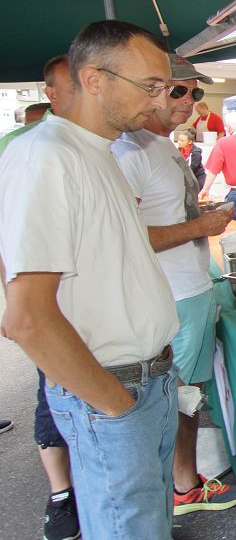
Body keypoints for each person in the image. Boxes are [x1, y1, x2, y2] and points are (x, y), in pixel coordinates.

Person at [0, 20, 180, 539]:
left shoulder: (97, 152)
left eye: (163, 87)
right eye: (150, 85)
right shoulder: (46, 157)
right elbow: (27, 317)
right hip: (114, 391)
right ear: (94, 79)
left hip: (146, 382)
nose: (160, 99)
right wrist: (114, 404)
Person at [111, 54, 236, 517]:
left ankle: (179, 481)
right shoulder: (129, 151)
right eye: (177, 90)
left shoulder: (164, 146)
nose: (189, 101)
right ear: (150, 90)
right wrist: (202, 226)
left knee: (188, 392)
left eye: (195, 92)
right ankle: (182, 487)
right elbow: (125, 238)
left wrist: (203, 219)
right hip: (170, 295)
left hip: (190, 288)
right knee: (181, 395)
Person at [0, 55, 82, 540]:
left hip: (85, 308)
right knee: (53, 393)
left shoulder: (89, 148)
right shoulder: (28, 151)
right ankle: (60, 496)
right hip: (49, 304)